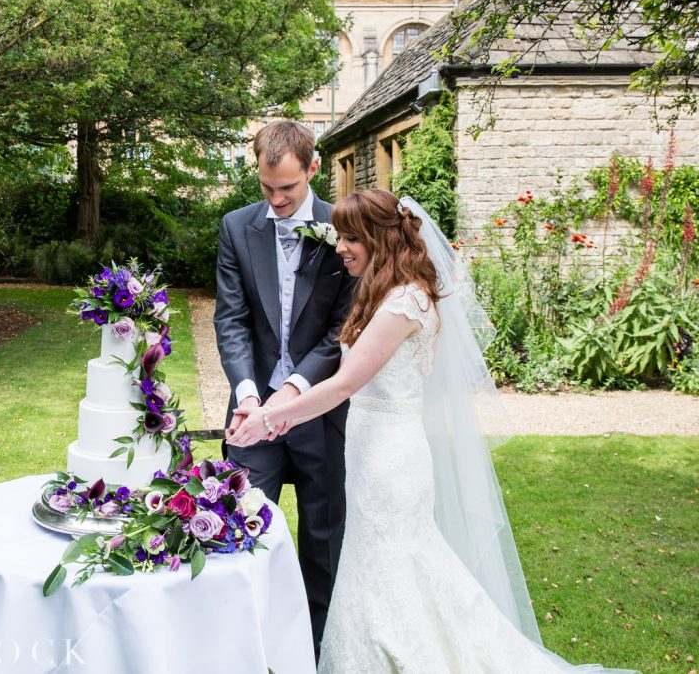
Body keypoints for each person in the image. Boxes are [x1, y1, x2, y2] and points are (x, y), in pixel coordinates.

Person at [227, 189, 637, 674]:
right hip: (369, 452)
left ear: (381, 238)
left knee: (392, 568)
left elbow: (343, 384)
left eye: (352, 238)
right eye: (340, 236)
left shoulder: (404, 302)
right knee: (382, 566)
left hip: (391, 461)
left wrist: (270, 417)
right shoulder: (384, 292)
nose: (340, 247)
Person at [213, 120, 355, 658]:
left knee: (322, 541)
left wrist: (292, 392)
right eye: (266, 188)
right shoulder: (235, 227)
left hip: (321, 411)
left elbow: (344, 327)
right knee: (242, 533)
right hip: (254, 418)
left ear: (313, 169)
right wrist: (249, 394)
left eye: (288, 190)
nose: (275, 201)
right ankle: (246, 653)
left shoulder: (345, 225)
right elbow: (232, 320)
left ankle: (315, 654)